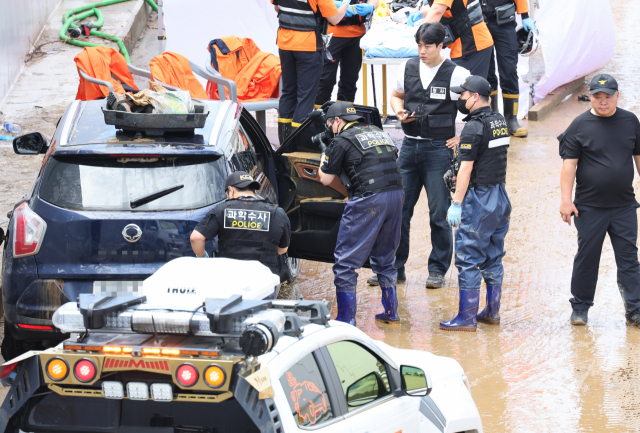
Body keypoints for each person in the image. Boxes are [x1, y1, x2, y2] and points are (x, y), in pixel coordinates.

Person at [368, 22, 469, 289]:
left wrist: (464, 135)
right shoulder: (408, 67)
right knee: (398, 210)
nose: (422, 51)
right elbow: (396, 95)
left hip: (439, 150)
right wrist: (398, 111)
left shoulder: (457, 73)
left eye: (428, 46)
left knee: (438, 212)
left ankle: (437, 270)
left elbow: (481, 103)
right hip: (409, 146)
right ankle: (393, 267)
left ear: (441, 46)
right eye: (419, 45)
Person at [559, 74, 640, 328]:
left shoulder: (630, 121)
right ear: (591, 96)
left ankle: (635, 310)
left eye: (608, 96)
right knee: (587, 256)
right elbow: (569, 165)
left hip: (624, 206)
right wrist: (566, 201)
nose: (602, 102)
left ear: (617, 95)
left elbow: (638, 158)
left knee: (628, 258)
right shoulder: (580, 124)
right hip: (589, 208)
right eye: (597, 97)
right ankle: (580, 308)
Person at [318, 101, 405, 325]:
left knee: (345, 264)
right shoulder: (377, 131)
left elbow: (326, 178)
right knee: (386, 259)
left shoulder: (341, 140)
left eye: (330, 123)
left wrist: (325, 152)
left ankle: (347, 320)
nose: (329, 127)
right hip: (396, 195)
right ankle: (391, 312)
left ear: (337, 121)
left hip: (369, 199)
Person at [440, 75, 511, 332]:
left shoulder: (472, 127)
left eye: (462, 95)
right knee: (494, 255)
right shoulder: (499, 120)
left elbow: (466, 169)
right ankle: (492, 312)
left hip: (480, 199)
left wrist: (456, 203)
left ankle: (466, 318)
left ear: (474, 97)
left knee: (467, 257)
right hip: (501, 196)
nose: (460, 99)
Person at [272, 0, 349, 145]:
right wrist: (345, 5)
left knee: (288, 93)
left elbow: (277, 8)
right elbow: (334, 18)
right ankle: (299, 145)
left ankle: (284, 144)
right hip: (308, 47)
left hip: (285, 44)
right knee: (305, 97)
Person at [190, 171, 291, 279]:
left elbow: (195, 238)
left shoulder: (221, 210)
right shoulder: (277, 213)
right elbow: (282, 250)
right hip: (265, 280)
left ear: (231, 190)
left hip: (230, 278)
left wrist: (204, 259)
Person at [482, 0, 538, 137]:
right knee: (486, 73)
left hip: (504, 23)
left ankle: (511, 120)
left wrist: (525, 15)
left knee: (509, 71)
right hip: (479, 24)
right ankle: (492, 119)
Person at [315, 0, 379, 108]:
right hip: (331, 34)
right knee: (326, 79)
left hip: (357, 36)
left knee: (350, 80)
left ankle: (344, 116)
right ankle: (320, 117)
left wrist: (371, 6)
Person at [408, 0, 494, 78]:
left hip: (473, 45)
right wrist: (421, 14)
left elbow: (437, 10)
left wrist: (421, 38)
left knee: (469, 90)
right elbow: (442, 7)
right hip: (464, 45)